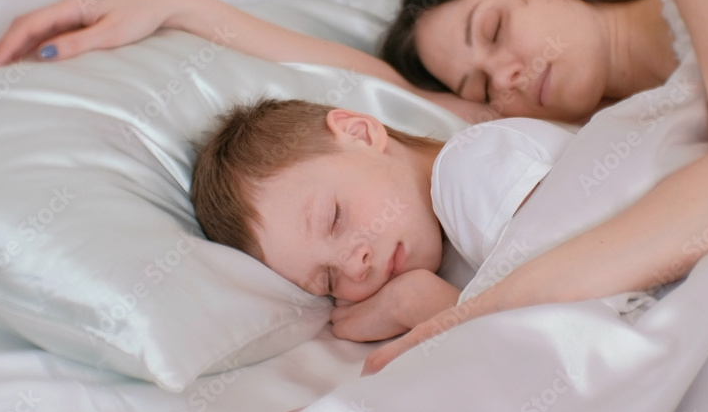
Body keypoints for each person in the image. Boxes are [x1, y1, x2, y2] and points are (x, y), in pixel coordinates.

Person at [0, 0, 708, 369]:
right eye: (478, 86)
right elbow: (381, 97)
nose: (506, 76)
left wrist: (478, 314)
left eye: (493, 29)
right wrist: (177, 6)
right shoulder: (570, 137)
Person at [189, 97, 657, 342]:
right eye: (329, 280)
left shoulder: (471, 168)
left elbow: (587, 332)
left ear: (358, 132)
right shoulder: (444, 243)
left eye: (334, 218)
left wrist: (423, 307)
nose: (356, 265)